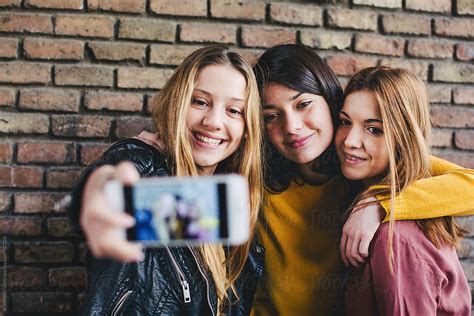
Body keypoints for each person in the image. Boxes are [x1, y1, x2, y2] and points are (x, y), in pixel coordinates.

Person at [250, 44, 474, 315]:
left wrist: (380, 203)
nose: (292, 126)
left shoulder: (362, 166)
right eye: (271, 116)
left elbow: (468, 183)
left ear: (330, 103)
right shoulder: (256, 181)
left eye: (303, 104)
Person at [68, 45, 264, 315]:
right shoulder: (143, 164)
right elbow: (106, 187)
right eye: (200, 102)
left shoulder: (228, 199)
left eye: (234, 110)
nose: (214, 121)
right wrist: (95, 193)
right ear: (178, 103)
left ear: (247, 127)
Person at [337, 66, 471, 315]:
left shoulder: (396, 238)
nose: (349, 141)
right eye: (345, 122)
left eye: (374, 129)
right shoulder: (360, 185)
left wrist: (381, 203)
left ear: (404, 138)